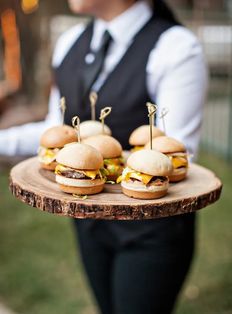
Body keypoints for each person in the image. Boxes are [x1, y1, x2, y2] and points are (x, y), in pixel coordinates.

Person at [0, 0, 207, 313]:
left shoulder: (176, 47)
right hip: (88, 221)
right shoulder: (70, 43)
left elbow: (177, 152)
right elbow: (57, 132)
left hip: (152, 230)